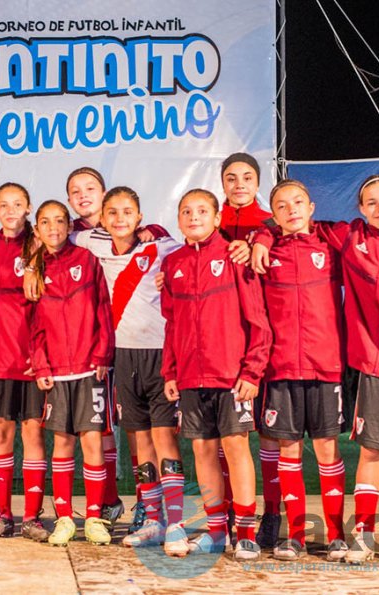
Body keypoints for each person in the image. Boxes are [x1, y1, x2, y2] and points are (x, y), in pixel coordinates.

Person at [254, 174, 379, 568]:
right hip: (371, 367)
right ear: (359, 210)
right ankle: (357, 535)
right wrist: (261, 235)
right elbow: (277, 223)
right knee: (370, 453)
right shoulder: (347, 238)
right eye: (371, 202)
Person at [73, 187, 189, 554]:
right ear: (103, 220)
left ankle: (176, 523)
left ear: (140, 218)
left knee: (165, 439)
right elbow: (55, 234)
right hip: (123, 358)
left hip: (160, 356)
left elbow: (192, 247)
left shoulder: (164, 247)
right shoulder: (92, 242)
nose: (120, 218)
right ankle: (153, 519)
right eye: (113, 213)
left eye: (128, 212)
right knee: (140, 442)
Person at [161, 189, 271, 561]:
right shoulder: (172, 263)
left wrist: (252, 371)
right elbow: (172, 323)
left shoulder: (235, 256)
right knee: (203, 450)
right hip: (191, 377)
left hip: (231, 376)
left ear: (217, 217)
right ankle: (215, 532)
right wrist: (171, 371)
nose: (194, 217)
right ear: (178, 220)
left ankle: (246, 532)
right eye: (187, 212)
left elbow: (259, 322)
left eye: (202, 211)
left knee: (237, 448)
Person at [249, 180, 348, 561]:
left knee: (326, 449)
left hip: (326, 366)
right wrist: (262, 235)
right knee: (289, 450)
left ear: (311, 206)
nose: (291, 209)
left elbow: (360, 230)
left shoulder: (330, 243)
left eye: (298, 203)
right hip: (282, 366)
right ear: (273, 215)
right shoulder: (268, 251)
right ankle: (294, 536)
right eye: (281, 205)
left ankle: (337, 534)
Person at [29, 200, 114, 546]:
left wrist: (102, 354)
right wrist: (41, 364)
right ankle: (64, 518)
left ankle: (93, 518)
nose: (54, 228)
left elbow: (103, 309)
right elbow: (33, 325)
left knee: (91, 441)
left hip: (88, 369)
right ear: (36, 229)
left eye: (60, 221)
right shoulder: (34, 268)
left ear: (69, 225)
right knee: (62, 444)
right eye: (46, 222)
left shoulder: (86, 260)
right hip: (56, 373)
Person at [0, 183, 48, 541]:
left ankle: (32, 517)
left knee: (33, 435)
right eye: (4, 205)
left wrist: (44, 354)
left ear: (29, 207)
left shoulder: (42, 246)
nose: (11, 210)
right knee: (0, 435)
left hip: (33, 361)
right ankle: (2, 515)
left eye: (18, 203)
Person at [218, 152, 282, 547]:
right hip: (225, 348)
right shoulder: (213, 223)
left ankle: (272, 514)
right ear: (222, 183)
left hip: (267, 345)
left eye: (246, 177)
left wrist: (261, 237)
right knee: (228, 438)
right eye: (231, 178)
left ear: (257, 182)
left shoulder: (269, 223)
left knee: (270, 437)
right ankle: (227, 513)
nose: (239, 184)